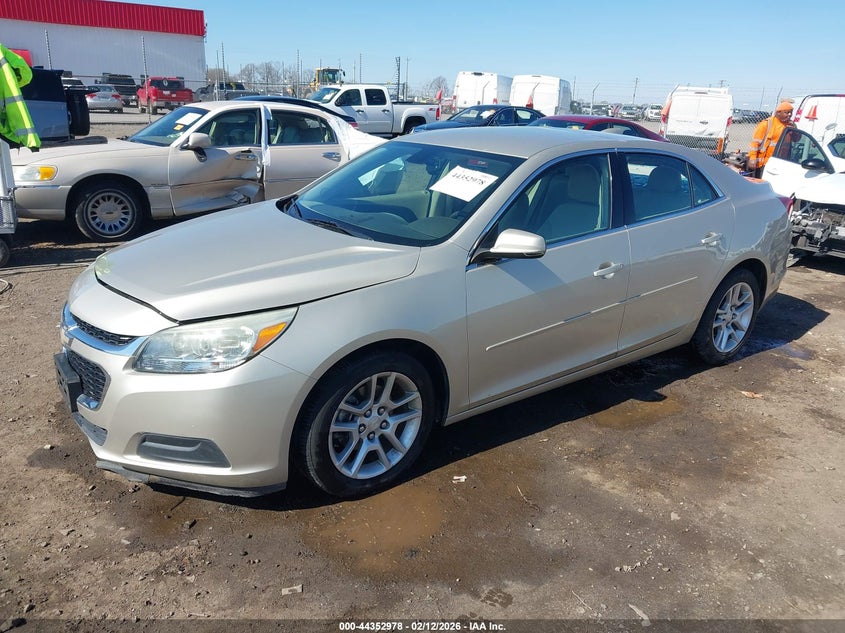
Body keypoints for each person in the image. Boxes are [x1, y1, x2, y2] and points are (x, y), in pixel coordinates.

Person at [747, 101, 795, 177]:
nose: (789, 115)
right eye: (786, 112)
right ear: (778, 113)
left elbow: (797, 139)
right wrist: (752, 158)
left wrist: (794, 130)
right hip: (764, 164)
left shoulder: (790, 125)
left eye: (791, 113)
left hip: (781, 162)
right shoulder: (766, 124)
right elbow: (755, 143)